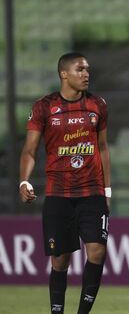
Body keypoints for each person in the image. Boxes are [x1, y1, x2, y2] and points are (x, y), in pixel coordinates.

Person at [19, 52, 110, 314]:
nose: (86, 74)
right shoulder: (43, 107)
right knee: (60, 261)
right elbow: (29, 150)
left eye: (88, 69)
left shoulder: (98, 105)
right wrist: (23, 181)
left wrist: (108, 190)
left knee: (97, 252)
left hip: (92, 192)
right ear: (64, 74)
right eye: (80, 69)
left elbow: (103, 148)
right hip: (58, 195)